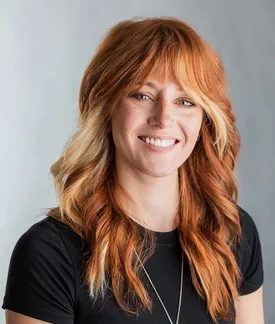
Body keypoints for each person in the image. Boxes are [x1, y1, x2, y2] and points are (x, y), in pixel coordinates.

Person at [2, 16, 265, 324]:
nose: (164, 118)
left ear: (205, 119)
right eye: (142, 95)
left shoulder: (232, 233)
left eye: (185, 101)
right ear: (106, 105)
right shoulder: (49, 253)